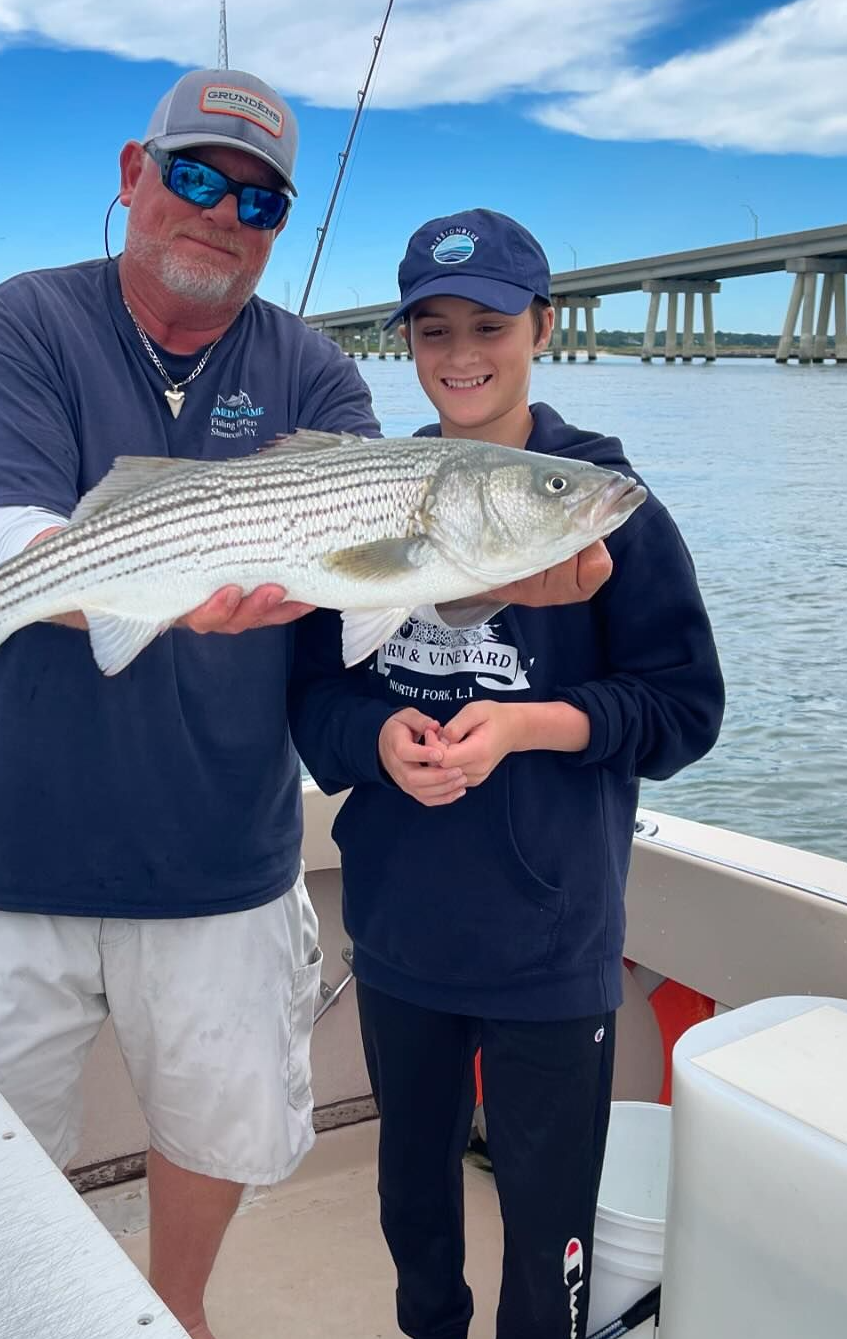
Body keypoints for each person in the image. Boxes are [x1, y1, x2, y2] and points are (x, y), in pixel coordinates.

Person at [0, 72, 609, 1339]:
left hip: (224, 859)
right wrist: (122, 583)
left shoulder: (313, 372)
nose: (222, 212)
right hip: (13, 851)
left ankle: (174, 1313)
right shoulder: (23, 321)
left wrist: (500, 587)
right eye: (195, 176)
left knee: (219, 1131)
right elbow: (3, 524)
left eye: (259, 199)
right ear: (135, 173)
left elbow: (381, 596)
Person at [290, 209, 724, 1339]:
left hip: (552, 940)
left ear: (544, 325)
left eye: (489, 324)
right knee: (413, 1207)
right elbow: (314, 701)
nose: (462, 354)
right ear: (407, 347)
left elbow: (684, 710)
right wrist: (378, 745)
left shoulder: (603, 506)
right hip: (399, 934)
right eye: (433, 331)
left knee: (549, 1233)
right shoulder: (367, 493)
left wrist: (532, 727)